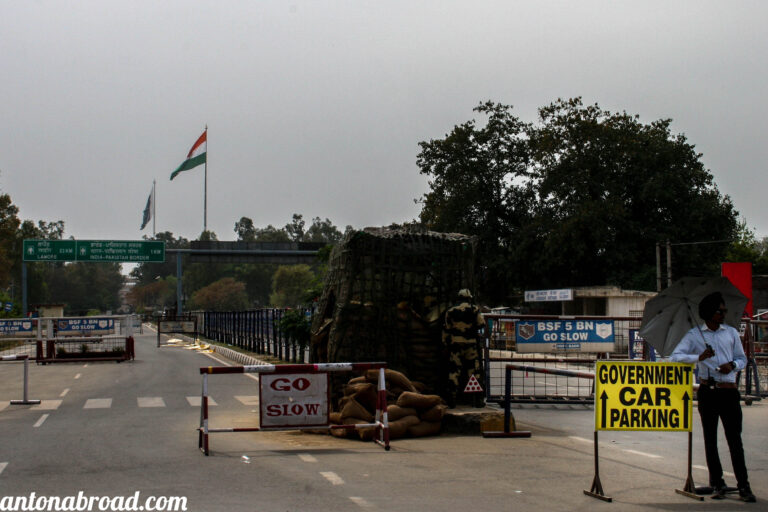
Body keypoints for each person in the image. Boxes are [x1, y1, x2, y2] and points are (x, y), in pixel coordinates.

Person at [670, 291, 756, 502]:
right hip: (709, 391)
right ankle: (717, 481)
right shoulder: (695, 335)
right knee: (710, 440)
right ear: (709, 312)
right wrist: (697, 357)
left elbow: (742, 359)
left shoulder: (731, 333)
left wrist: (732, 365)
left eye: (724, 311)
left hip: (729, 391)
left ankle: (743, 485)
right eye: (720, 311)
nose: (723, 314)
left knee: (735, 439)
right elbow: (676, 358)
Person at [442, 289, 485, 408]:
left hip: (455, 344)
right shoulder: (474, 309)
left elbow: (446, 328)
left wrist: (445, 344)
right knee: (473, 371)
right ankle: (477, 400)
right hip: (471, 344)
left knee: (454, 371)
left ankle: (452, 399)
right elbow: (481, 324)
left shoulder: (450, 310)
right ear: (469, 298)